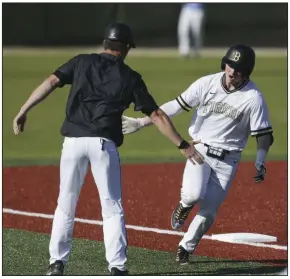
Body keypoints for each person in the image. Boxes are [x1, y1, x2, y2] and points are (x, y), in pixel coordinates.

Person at [12, 22, 204, 276]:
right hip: (103, 145)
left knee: (65, 204)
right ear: (124, 48)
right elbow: (156, 114)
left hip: (72, 143)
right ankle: (117, 267)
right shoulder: (130, 77)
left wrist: (23, 110)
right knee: (112, 208)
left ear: (105, 44)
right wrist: (182, 145)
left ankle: (57, 263)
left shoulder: (81, 62)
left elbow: (50, 82)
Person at [122, 44, 274, 264]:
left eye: (238, 69)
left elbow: (263, 133)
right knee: (193, 195)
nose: (232, 72)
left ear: (247, 72)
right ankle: (184, 205)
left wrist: (260, 159)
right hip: (200, 148)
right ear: (225, 63)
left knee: (210, 210)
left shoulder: (254, 97)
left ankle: (186, 247)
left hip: (229, 159)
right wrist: (142, 121)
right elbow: (176, 105)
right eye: (230, 65)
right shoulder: (207, 83)